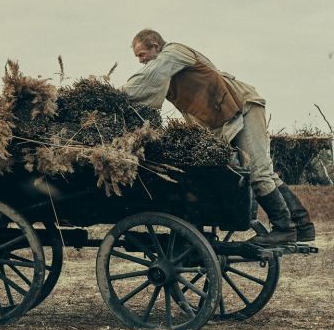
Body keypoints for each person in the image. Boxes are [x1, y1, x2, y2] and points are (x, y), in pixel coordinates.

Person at [122, 29, 314, 245]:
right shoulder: (170, 68)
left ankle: (284, 229)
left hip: (243, 106)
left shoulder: (174, 53)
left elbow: (150, 76)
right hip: (227, 115)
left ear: (155, 46)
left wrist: (118, 97)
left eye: (141, 54)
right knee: (265, 171)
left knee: (258, 171)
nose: (140, 61)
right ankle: (303, 226)